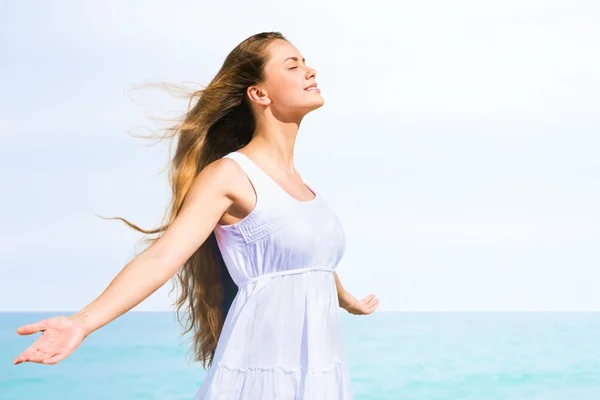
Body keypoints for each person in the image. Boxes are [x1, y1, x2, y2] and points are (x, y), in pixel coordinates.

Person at [13, 31, 379, 399]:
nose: (310, 70)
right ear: (260, 93)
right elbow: (162, 257)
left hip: (317, 370)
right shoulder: (229, 175)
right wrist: (81, 323)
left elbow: (308, 259)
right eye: (293, 65)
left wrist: (348, 301)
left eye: (305, 61)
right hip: (260, 373)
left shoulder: (302, 185)